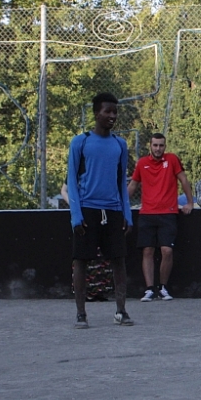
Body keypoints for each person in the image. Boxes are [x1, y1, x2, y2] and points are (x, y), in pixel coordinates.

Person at [66, 92, 134, 328]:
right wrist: (76, 215)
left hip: (113, 211)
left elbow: (121, 183)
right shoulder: (80, 142)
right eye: (107, 111)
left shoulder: (119, 144)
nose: (112, 116)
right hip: (87, 209)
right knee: (82, 261)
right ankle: (81, 314)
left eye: (115, 112)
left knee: (119, 260)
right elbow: (71, 182)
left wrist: (127, 213)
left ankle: (121, 310)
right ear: (96, 113)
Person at [127, 133, 194, 302]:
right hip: (147, 213)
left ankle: (163, 287)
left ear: (165, 146)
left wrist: (190, 202)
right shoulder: (142, 163)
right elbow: (133, 184)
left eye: (161, 145)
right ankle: (149, 289)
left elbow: (184, 180)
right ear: (150, 145)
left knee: (167, 250)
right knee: (147, 250)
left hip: (168, 213)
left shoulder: (172, 160)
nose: (158, 149)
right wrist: (121, 206)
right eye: (155, 145)